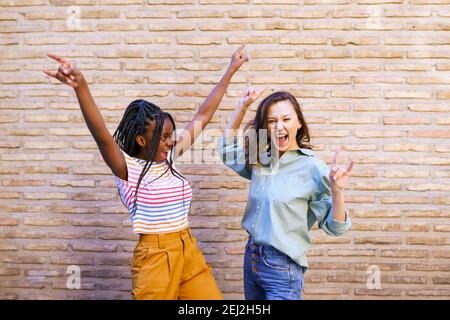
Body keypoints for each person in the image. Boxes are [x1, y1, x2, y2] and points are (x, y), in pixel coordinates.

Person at [44, 45, 249, 300]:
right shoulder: (126, 169)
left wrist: (231, 69)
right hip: (155, 258)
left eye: (171, 135)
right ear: (141, 140)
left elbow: (203, 115)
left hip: (188, 250)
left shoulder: (169, 158)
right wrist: (81, 86)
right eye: (163, 137)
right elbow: (102, 136)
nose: (171, 141)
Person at [218, 88, 353, 300]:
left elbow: (335, 228)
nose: (279, 127)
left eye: (286, 119)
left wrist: (338, 191)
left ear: (298, 123)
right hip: (252, 260)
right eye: (272, 121)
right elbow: (226, 150)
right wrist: (242, 106)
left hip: (283, 269)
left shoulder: (312, 167)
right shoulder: (260, 159)